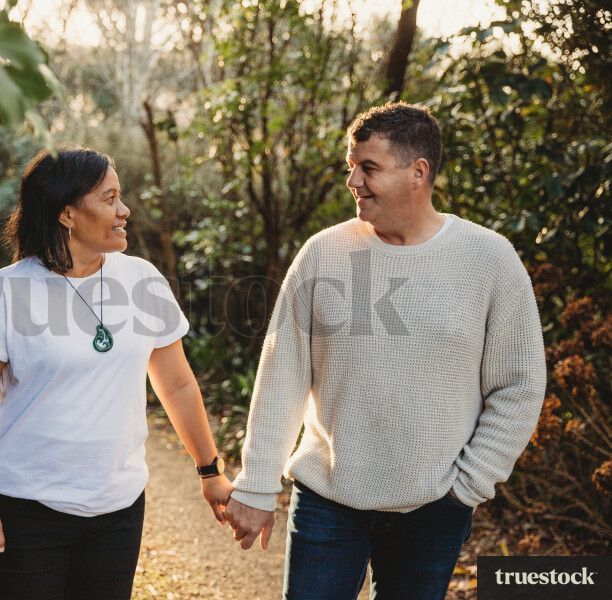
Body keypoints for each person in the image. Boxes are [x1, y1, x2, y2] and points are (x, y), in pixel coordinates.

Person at [223, 102, 546, 600]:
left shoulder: (490, 260)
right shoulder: (323, 253)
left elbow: (519, 385)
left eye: (369, 167)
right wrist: (257, 484)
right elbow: (282, 375)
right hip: (328, 496)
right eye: (351, 166)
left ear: (418, 172)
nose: (353, 180)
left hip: (435, 506)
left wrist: (468, 485)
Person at [0, 145, 232, 600]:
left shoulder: (142, 281)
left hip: (117, 511)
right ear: (67, 214)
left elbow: (178, 384)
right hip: (25, 509)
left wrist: (210, 470)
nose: (124, 210)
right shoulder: (2, 294)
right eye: (109, 198)